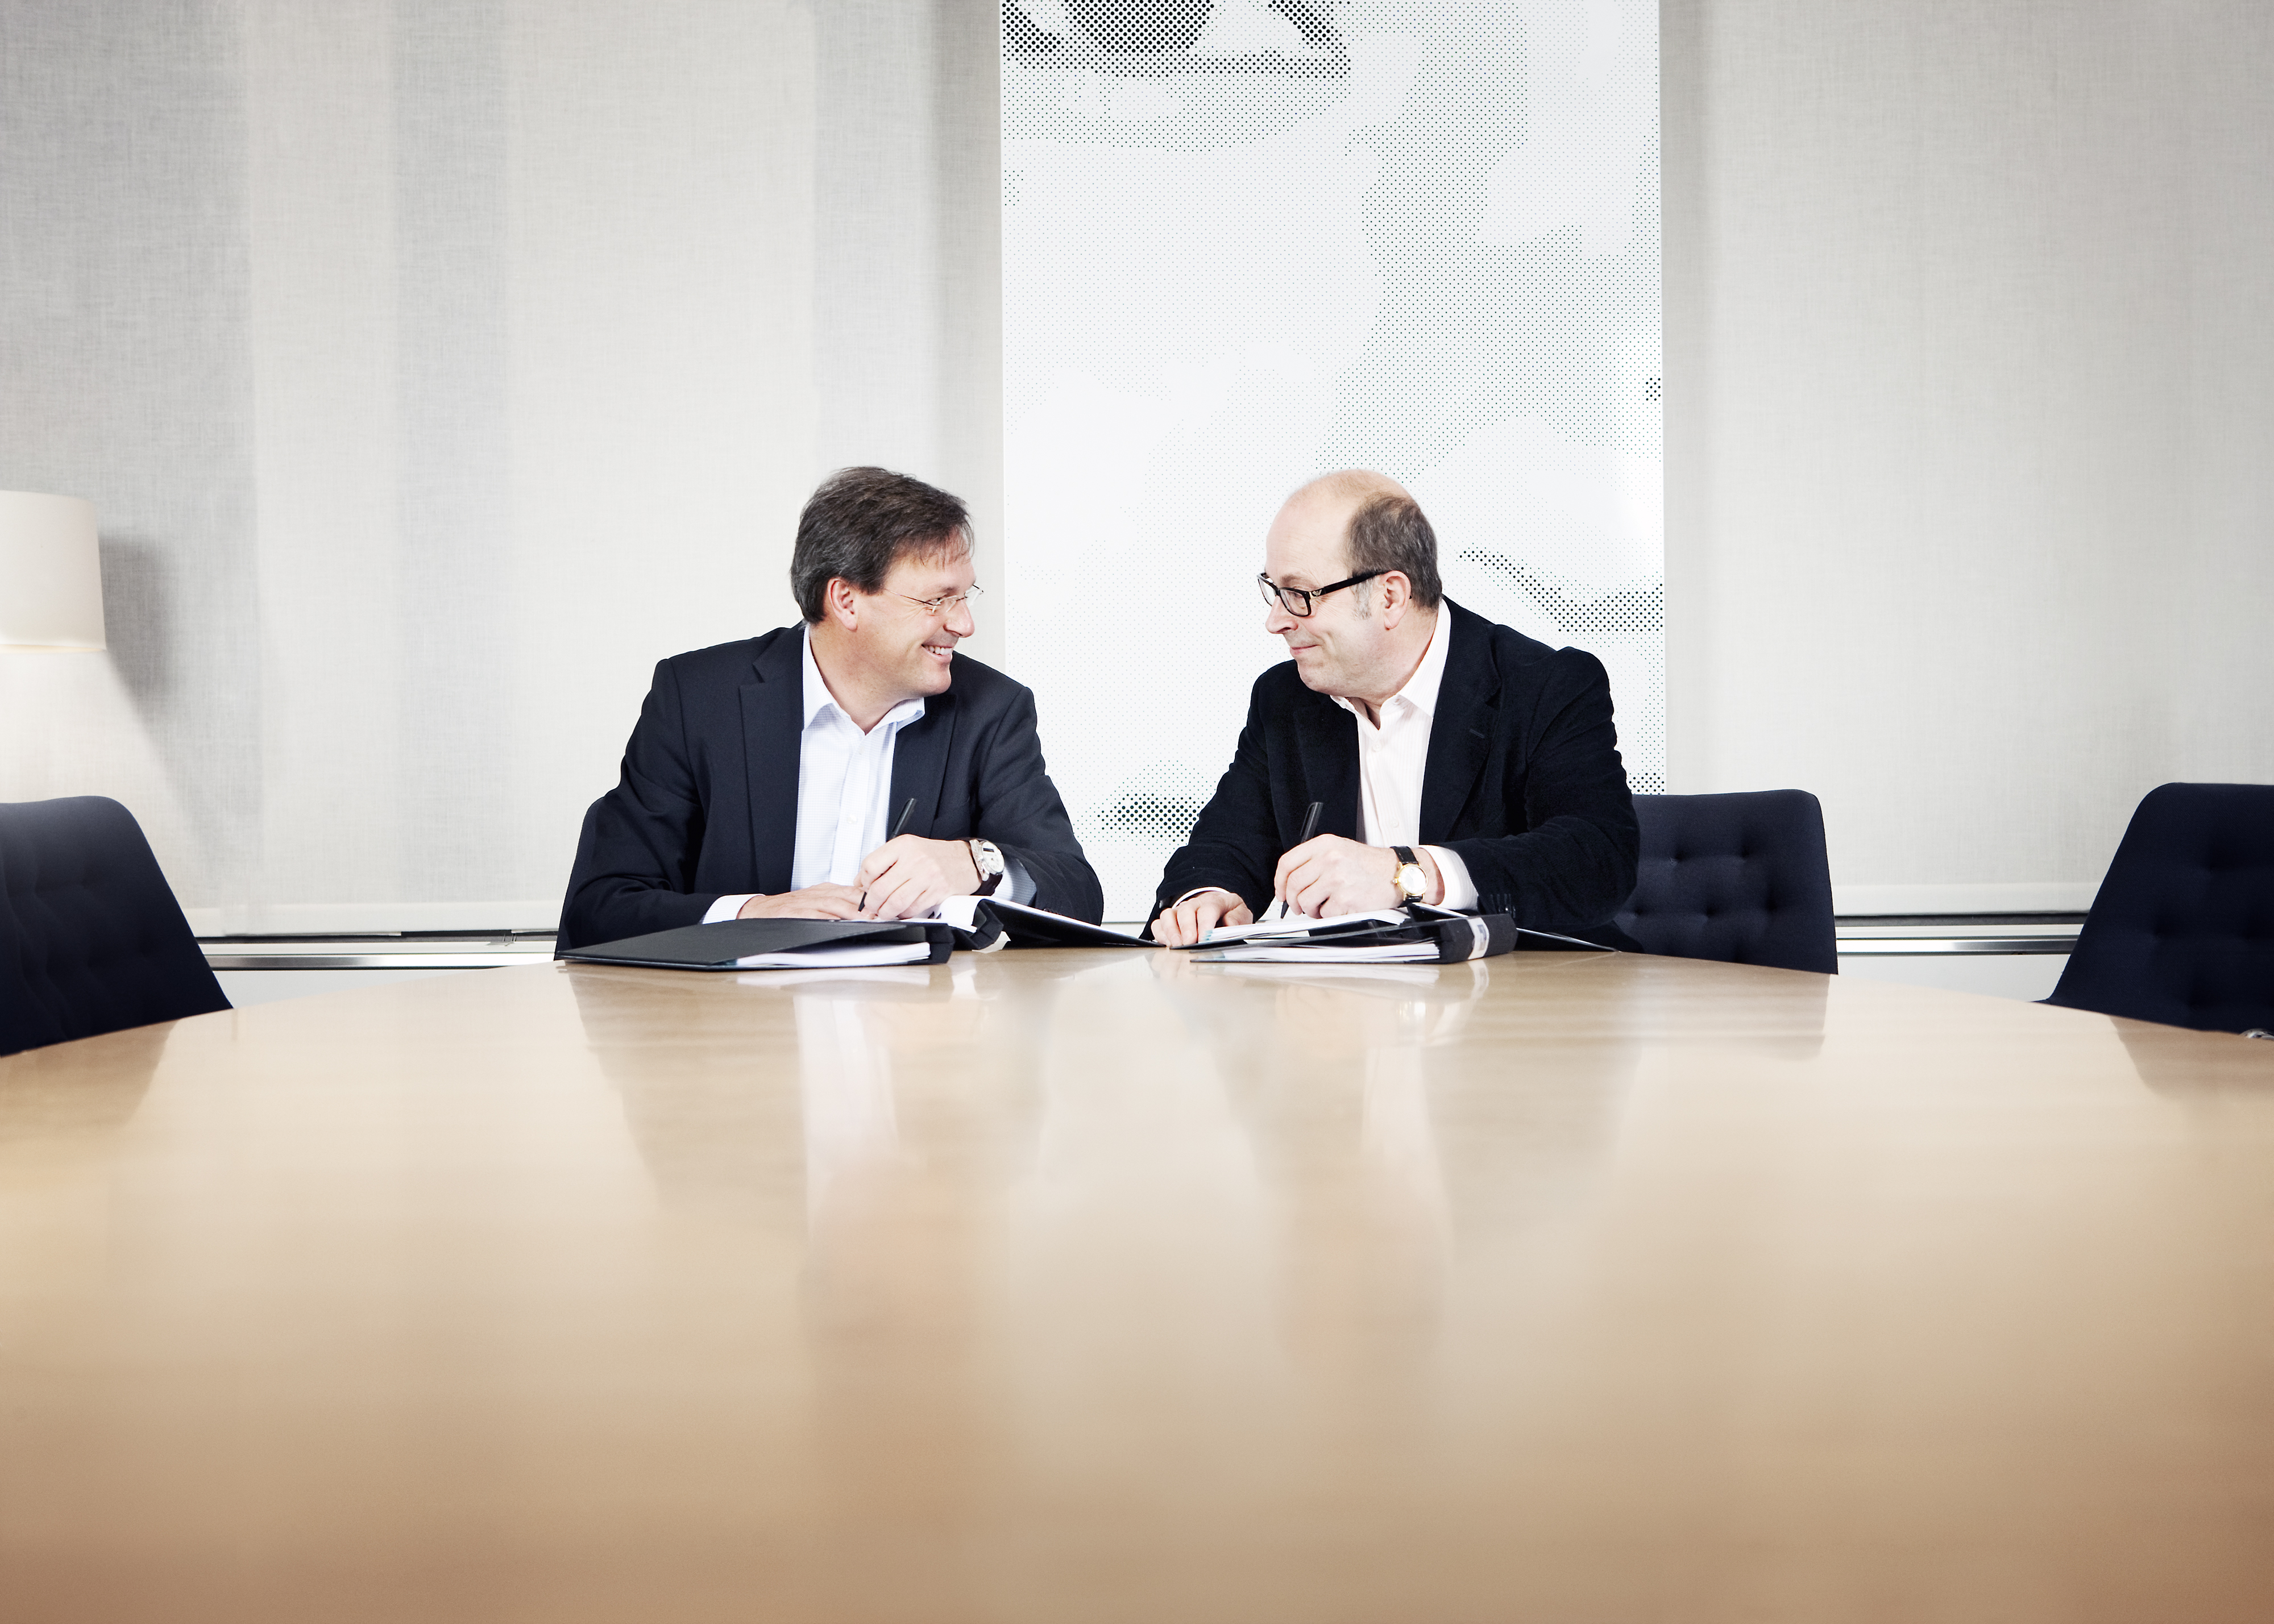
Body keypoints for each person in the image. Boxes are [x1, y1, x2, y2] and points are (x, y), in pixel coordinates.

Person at [559, 467, 1102, 950]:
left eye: (965, 595)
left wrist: (977, 863)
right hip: (736, 1045)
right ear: (845, 600)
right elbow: (598, 908)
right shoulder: (698, 699)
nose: (964, 624)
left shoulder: (993, 710)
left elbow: (1078, 894)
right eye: (937, 600)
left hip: (924, 1046)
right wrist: (752, 914)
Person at [1149, 470, 1638, 946]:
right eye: (1275, 591)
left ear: (1390, 596)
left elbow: (1597, 858)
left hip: (1530, 1005)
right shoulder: (1285, 699)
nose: (1276, 621)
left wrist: (1407, 872)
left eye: (1299, 595)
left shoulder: (1546, 685)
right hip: (1348, 1012)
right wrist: (1206, 897)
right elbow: (1225, 845)